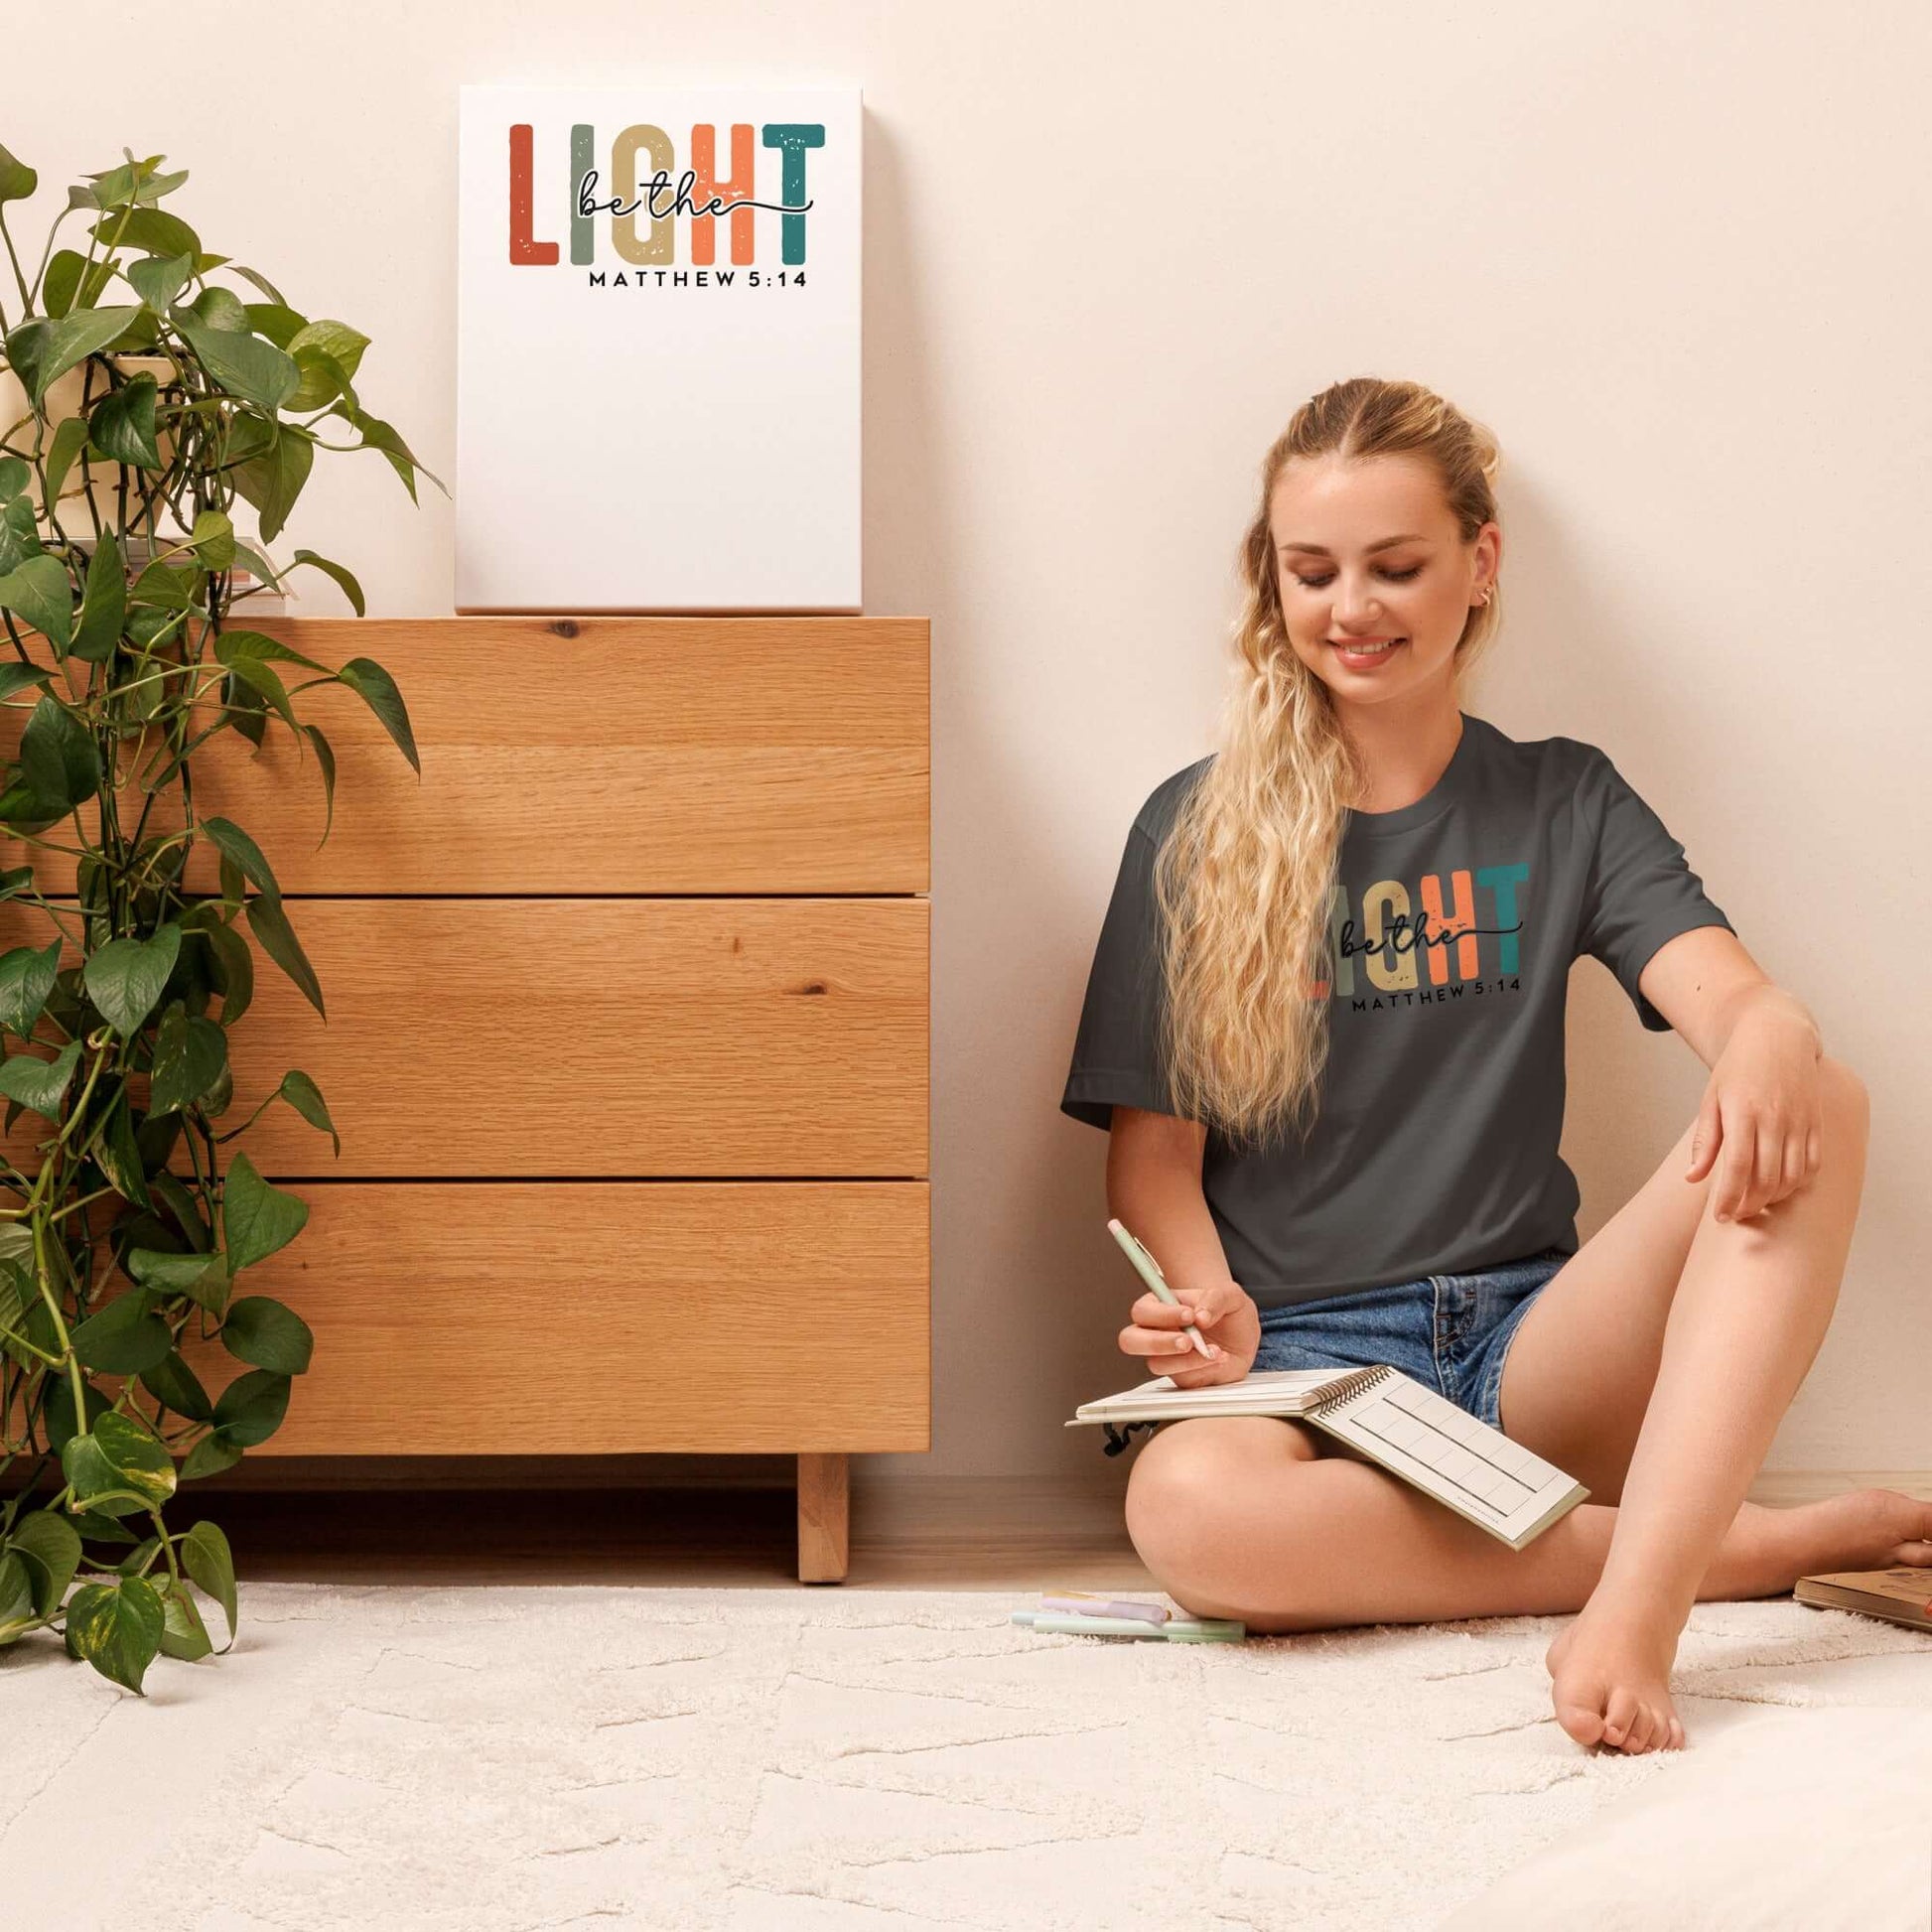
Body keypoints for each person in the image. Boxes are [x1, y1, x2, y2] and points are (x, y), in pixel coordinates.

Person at [1058, 374, 1925, 1757]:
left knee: (1818, 1095)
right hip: (1307, 1378)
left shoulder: (1560, 797)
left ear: (1478, 562)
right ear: (1269, 583)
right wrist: (1201, 1293)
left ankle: (1636, 1605)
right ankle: (1726, 1547)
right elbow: (1152, 1155)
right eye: (1313, 569)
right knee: (1186, 1514)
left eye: (1396, 565)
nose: (1354, 606)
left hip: (1535, 1356)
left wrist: (1767, 1029)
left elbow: (1732, 998)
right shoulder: (1190, 827)